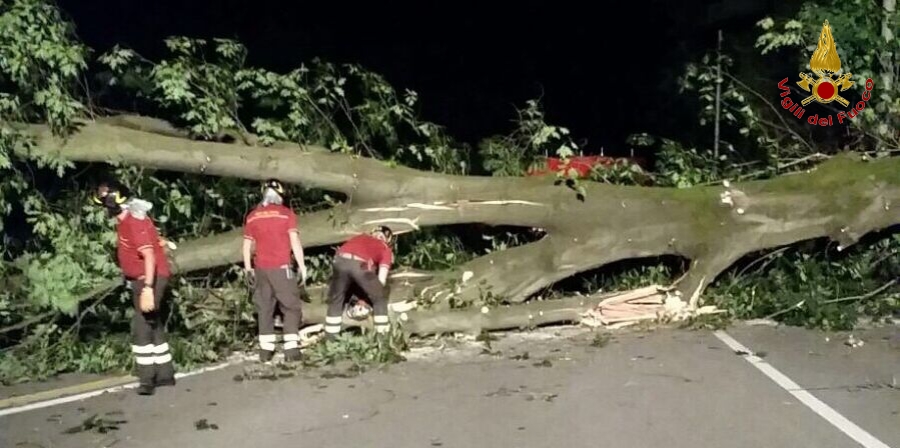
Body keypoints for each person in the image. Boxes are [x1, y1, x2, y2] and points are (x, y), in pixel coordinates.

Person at [92, 182, 175, 396]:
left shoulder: (132, 223)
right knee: (153, 322)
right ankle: (165, 374)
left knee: (141, 327)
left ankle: (147, 378)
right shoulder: (128, 222)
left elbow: (148, 256)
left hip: (149, 278)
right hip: (143, 278)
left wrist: (148, 287)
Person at [242, 179, 307, 362]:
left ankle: (265, 350)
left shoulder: (253, 216)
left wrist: (248, 269)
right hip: (281, 267)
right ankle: (291, 349)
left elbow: (247, 246)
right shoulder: (286, 215)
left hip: (261, 268)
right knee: (291, 306)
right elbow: (294, 241)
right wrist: (302, 265)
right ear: (280, 195)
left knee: (265, 308)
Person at [324, 226, 394, 338]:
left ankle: (330, 338)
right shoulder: (385, 248)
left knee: (336, 299)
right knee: (380, 297)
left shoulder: (360, 237)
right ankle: (383, 336)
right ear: (388, 239)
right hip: (360, 264)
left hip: (339, 260)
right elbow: (381, 279)